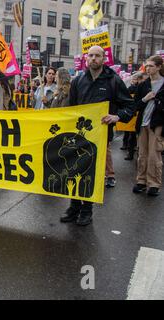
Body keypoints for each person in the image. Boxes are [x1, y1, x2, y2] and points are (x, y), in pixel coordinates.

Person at [60, 45, 136, 226]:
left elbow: (130, 106)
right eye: (90, 55)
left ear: (103, 58)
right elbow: (71, 107)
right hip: (78, 136)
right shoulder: (78, 80)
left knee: (90, 174)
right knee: (74, 171)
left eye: (97, 56)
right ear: (86, 59)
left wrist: (117, 117)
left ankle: (87, 210)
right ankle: (74, 207)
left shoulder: (113, 81)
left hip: (100, 137)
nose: (93, 58)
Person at [132, 55, 164, 197]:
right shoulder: (143, 85)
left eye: (151, 66)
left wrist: (159, 102)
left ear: (158, 67)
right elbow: (135, 105)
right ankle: (141, 181)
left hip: (157, 123)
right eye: (147, 66)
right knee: (142, 154)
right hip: (143, 123)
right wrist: (146, 98)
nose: (148, 68)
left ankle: (154, 183)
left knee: (154, 154)